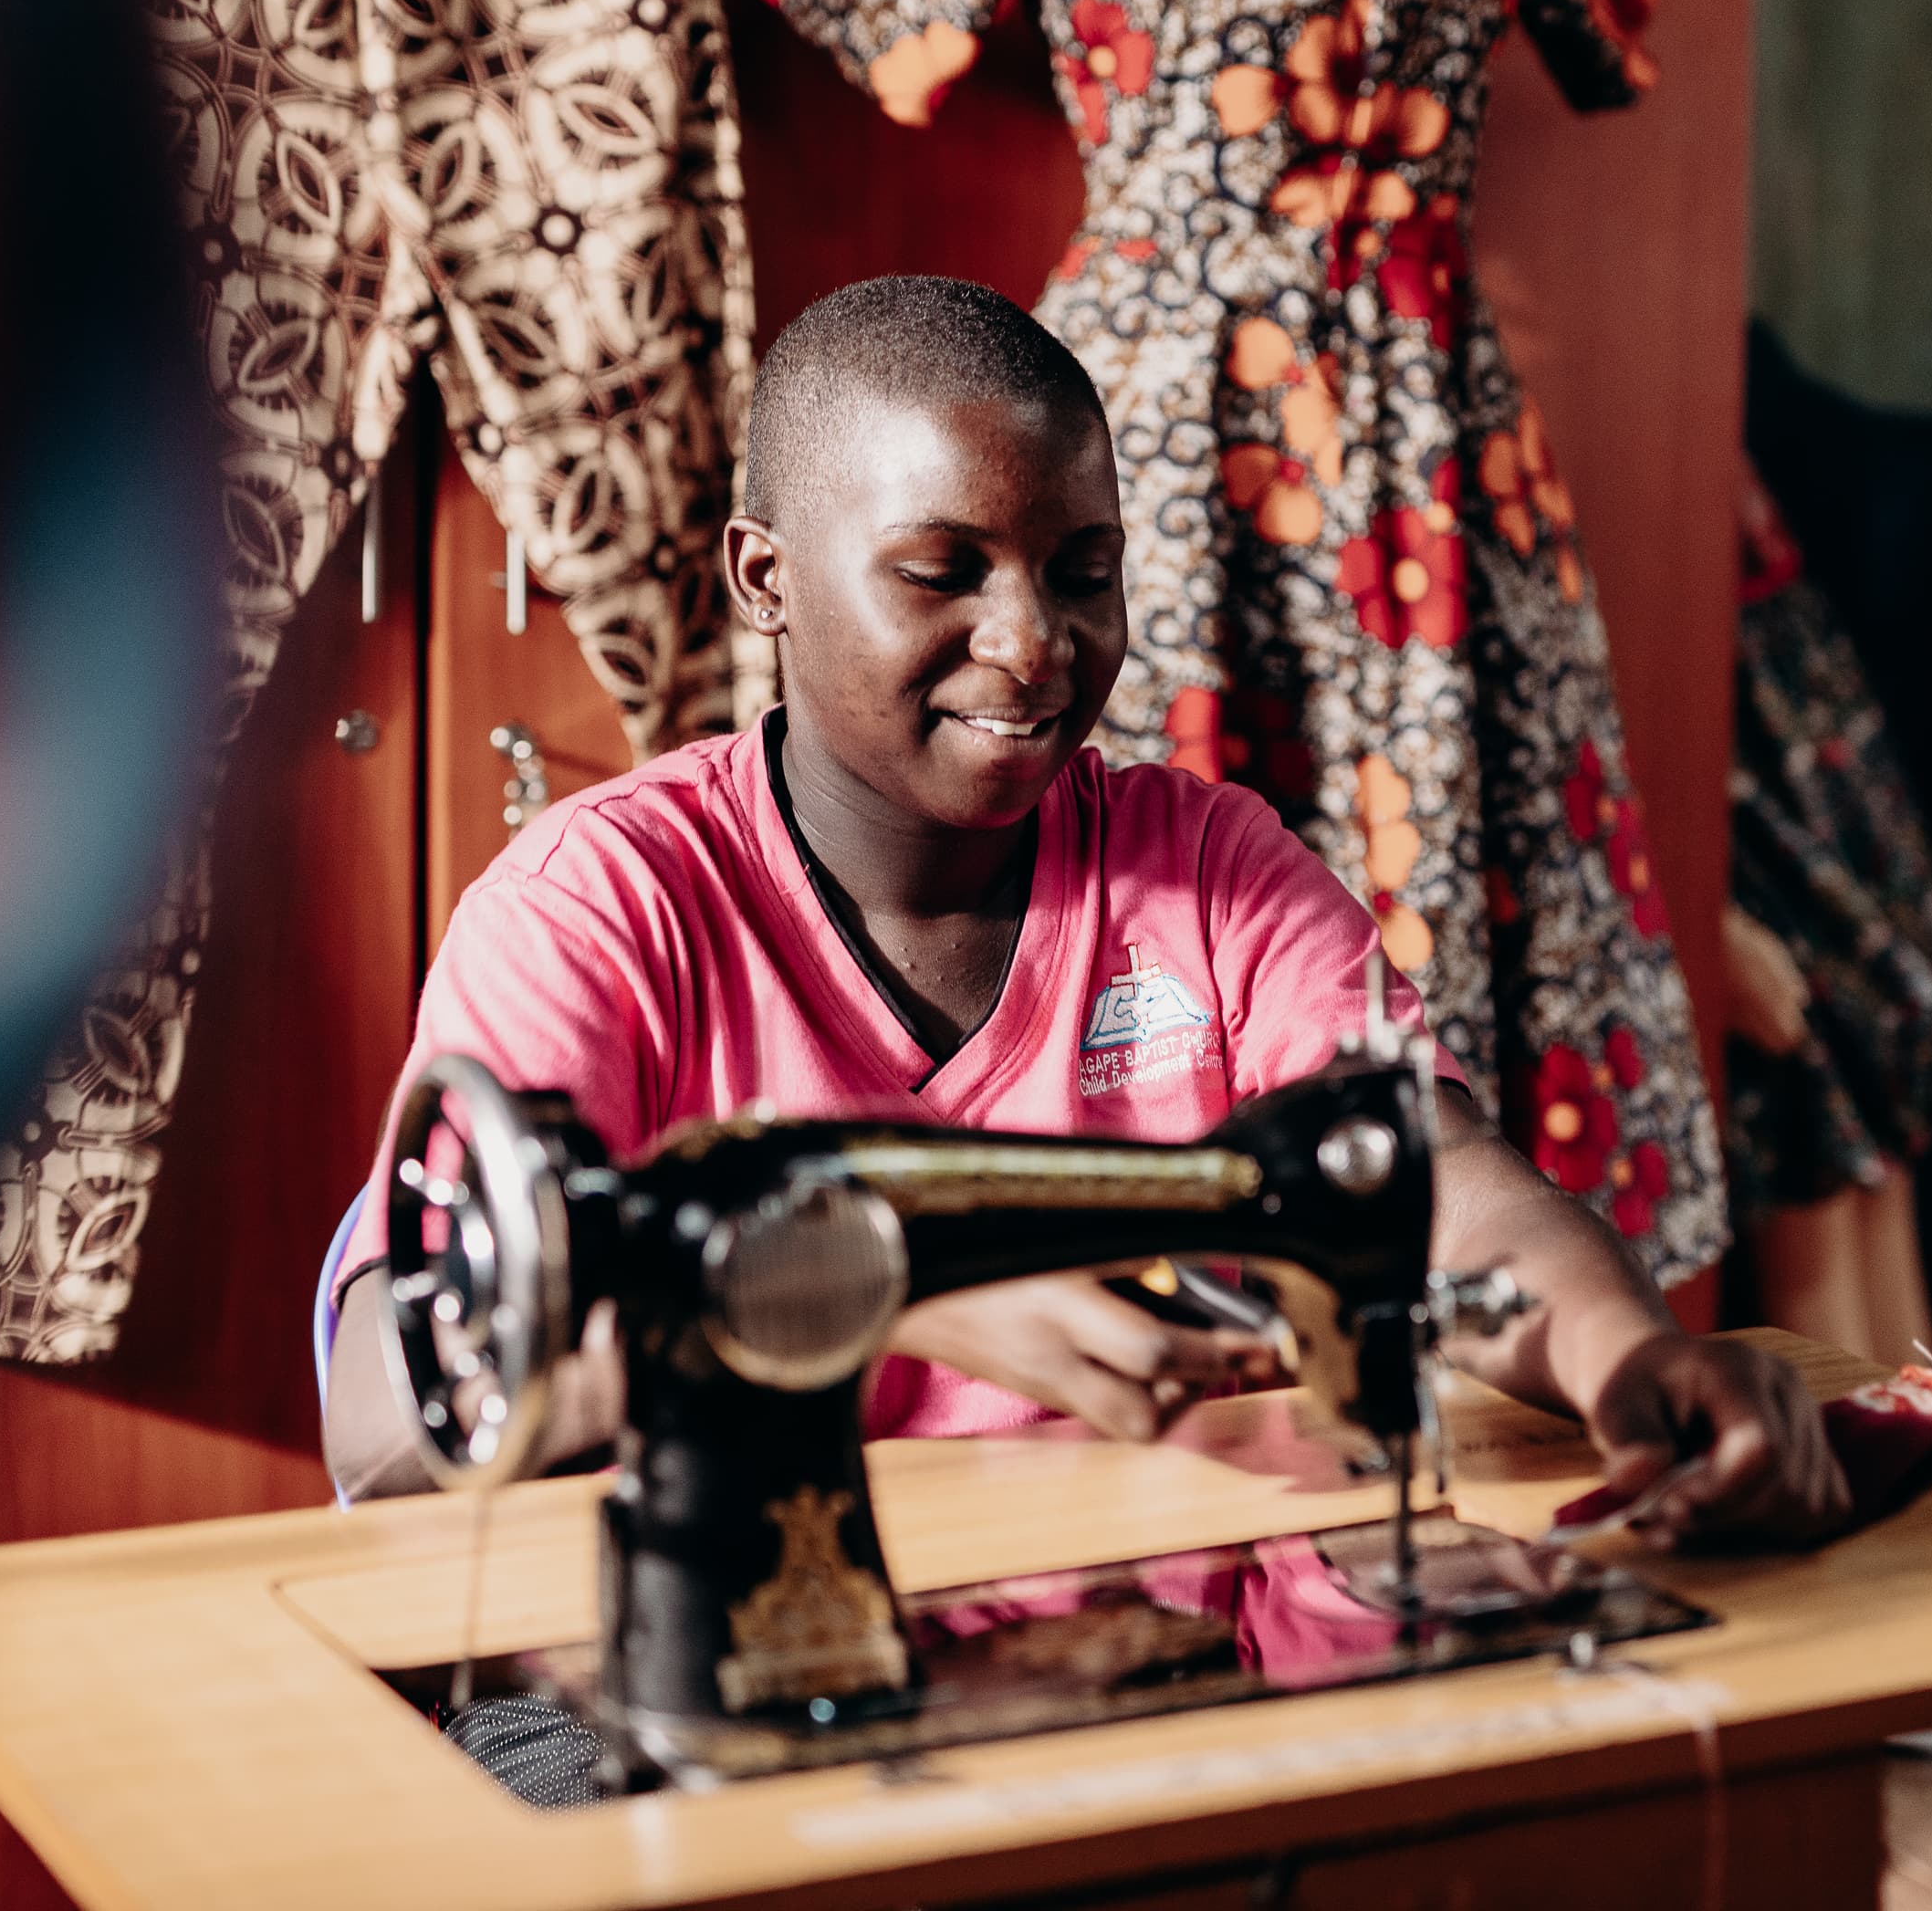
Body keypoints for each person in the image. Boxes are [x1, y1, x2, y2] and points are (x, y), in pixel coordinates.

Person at [322, 275, 1849, 1549]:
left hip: (1117, 1615)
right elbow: (388, 1419)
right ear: (765, 579)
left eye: (1083, 569)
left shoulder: (1214, 873)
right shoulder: (603, 907)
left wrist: (1623, 1354)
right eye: (941, 572)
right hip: (686, 1642)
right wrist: (872, 1296)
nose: (1032, 643)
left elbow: (1437, 1186)